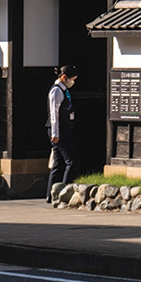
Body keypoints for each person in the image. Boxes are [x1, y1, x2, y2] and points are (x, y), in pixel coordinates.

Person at [46, 65, 77, 200]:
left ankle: (50, 195)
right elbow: (54, 114)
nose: (73, 82)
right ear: (64, 77)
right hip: (59, 131)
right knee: (72, 160)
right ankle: (64, 192)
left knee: (58, 164)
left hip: (63, 129)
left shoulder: (64, 90)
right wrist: (55, 134)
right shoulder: (56, 91)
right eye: (72, 79)